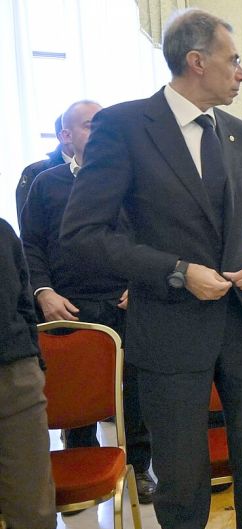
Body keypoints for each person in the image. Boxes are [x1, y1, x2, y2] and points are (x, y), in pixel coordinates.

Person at [60, 9, 242, 529]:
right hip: (168, 330)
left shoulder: (238, 133)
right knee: (182, 483)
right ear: (196, 61)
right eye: (233, 60)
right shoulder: (124, 126)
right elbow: (83, 234)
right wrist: (178, 273)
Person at [20, 100, 156, 504]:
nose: (98, 134)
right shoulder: (45, 183)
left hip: (125, 302)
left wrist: (141, 281)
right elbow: (31, 246)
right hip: (69, 305)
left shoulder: (132, 183)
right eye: (88, 126)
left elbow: (148, 239)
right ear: (66, 136)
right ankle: (83, 471)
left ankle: (138, 468)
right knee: (77, 394)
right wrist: (44, 293)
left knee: (134, 392)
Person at [0, 217, 57, 529]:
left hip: (13, 378)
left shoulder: (3, 232)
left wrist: (33, 364)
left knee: (33, 520)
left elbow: (23, 305)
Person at [14, 115, 73, 229]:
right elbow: (28, 230)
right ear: (64, 136)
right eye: (88, 126)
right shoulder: (35, 172)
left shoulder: (104, 170)